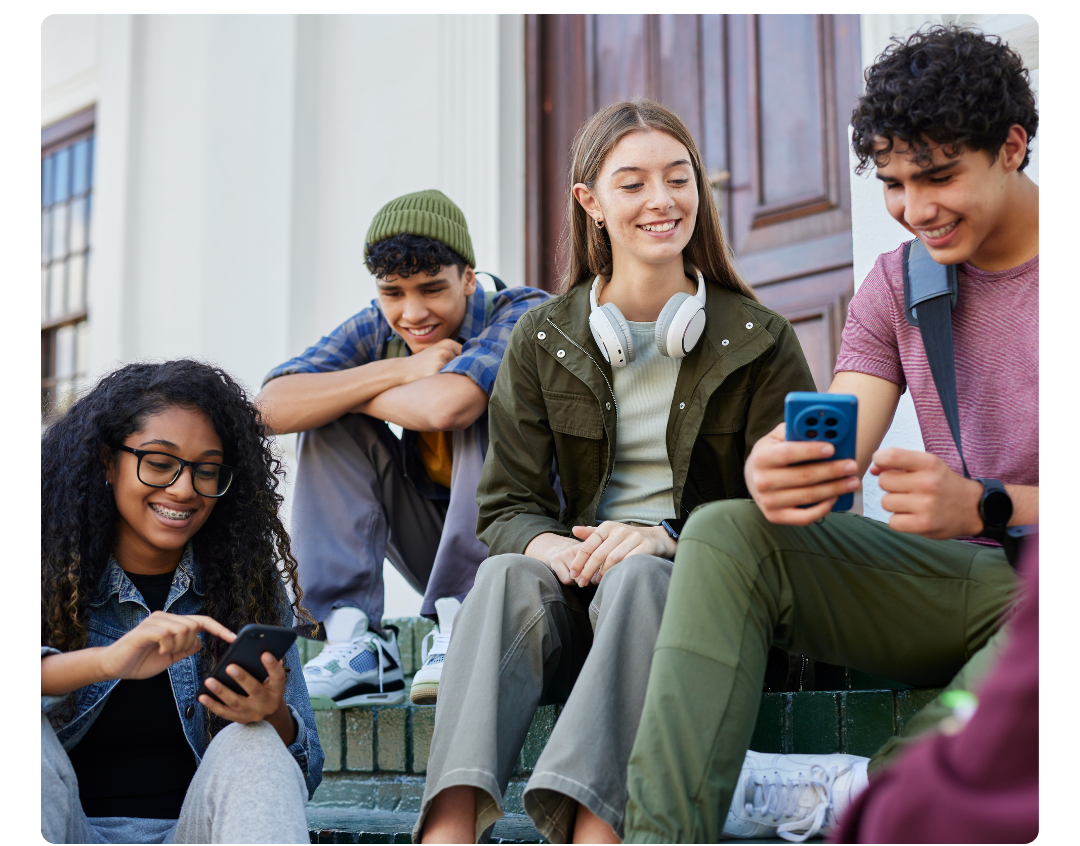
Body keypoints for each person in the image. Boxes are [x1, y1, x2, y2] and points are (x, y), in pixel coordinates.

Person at [623, 25, 1039, 843]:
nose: (915, 210)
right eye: (893, 183)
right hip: (963, 580)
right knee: (726, 533)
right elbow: (839, 441)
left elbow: (981, 509)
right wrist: (782, 467)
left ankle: (882, 803)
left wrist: (984, 506)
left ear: (1013, 148)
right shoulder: (900, 282)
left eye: (940, 176)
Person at [414, 99, 817, 845]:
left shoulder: (762, 340)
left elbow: (793, 512)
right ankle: (448, 832)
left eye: (678, 178)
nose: (662, 201)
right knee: (503, 577)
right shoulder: (542, 338)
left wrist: (667, 537)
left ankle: (596, 833)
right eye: (632, 184)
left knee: (638, 577)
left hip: (702, 591)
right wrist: (556, 549)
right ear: (590, 202)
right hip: (581, 582)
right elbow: (506, 507)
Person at [257, 190, 548, 706]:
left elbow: (448, 407)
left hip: (525, 546)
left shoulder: (523, 311)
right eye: (393, 293)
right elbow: (270, 407)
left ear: (469, 278)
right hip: (435, 539)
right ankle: (356, 645)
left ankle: (464, 618)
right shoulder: (378, 326)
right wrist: (399, 370)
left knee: (480, 403)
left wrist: (351, 391)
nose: (413, 313)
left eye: (432, 289)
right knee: (326, 421)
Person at [40, 359, 323, 844]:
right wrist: (107, 661)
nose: (184, 489)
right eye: (159, 463)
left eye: (206, 471)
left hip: (194, 832)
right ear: (109, 462)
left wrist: (270, 711)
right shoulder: (49, 570)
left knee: (252, 741)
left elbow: (306, 769)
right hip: (67, 828)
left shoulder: (247, 584)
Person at [832, 535, 1039, 843]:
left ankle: (873, 794)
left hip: (1022, 572)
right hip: (942, 560)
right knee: (738, 529)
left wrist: (985, 504)